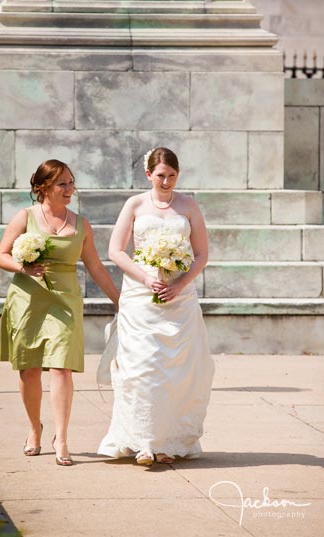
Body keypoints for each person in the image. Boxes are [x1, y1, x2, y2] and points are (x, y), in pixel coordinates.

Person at [0, 159, 119, 465]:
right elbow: (0, 256)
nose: (69, 189)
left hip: (65, 302)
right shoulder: (24, 217)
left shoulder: (82, 225)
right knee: (29, 371)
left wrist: (119, 299)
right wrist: (24, 266)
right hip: (28, 299)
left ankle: (62, 438)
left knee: (62, 368)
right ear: (43, 188)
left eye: (71, 182)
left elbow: (96, 267)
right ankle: (34, 428)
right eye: (61, 183)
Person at [97, 147, 215, 466]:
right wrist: (146, 278)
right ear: (148, 174)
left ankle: (168, 443)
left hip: (180, 300)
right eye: (160, 176)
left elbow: (202, 253)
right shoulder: (135, 204)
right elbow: (116, 251)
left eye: (172, 176)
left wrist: (179, 284)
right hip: (140, 299)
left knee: (177, 372)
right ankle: (143, 442)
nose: (166, 182)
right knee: (142, 368)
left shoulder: (188, 205)